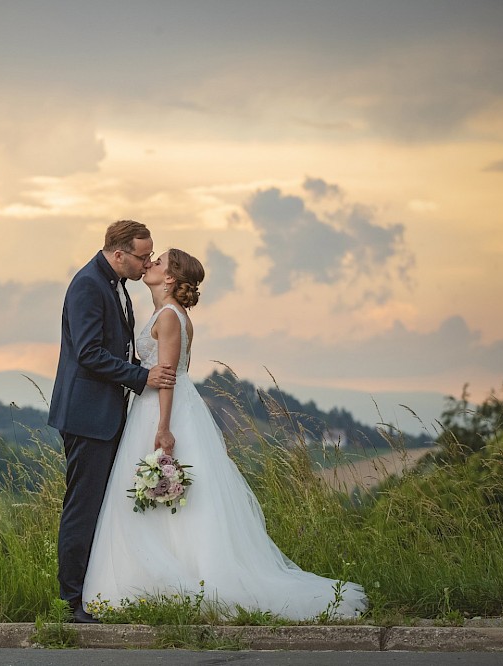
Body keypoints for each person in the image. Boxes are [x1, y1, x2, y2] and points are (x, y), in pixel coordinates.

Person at [82, 248, 367, 621]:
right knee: (168, 501)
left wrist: (164, 429)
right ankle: (162, 578)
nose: (150, 262)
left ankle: (170, 582)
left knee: (158, 496)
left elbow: (166, 377)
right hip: (166, 407)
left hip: (161, 411)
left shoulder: (169, 317)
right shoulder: (171, 314)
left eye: (159, 261)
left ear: (170, 277)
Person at [48, 219, 178, 624]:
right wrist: (142, 377)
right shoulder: (89, 285)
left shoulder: (115, 284)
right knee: (82, 509)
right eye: (142, 256)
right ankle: (70, 604)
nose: (147, 263)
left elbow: (116, 348)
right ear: (119, 253)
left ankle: (93, 591)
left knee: (98, 508)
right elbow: (88, 353)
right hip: (87, 416)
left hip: (104, 413)